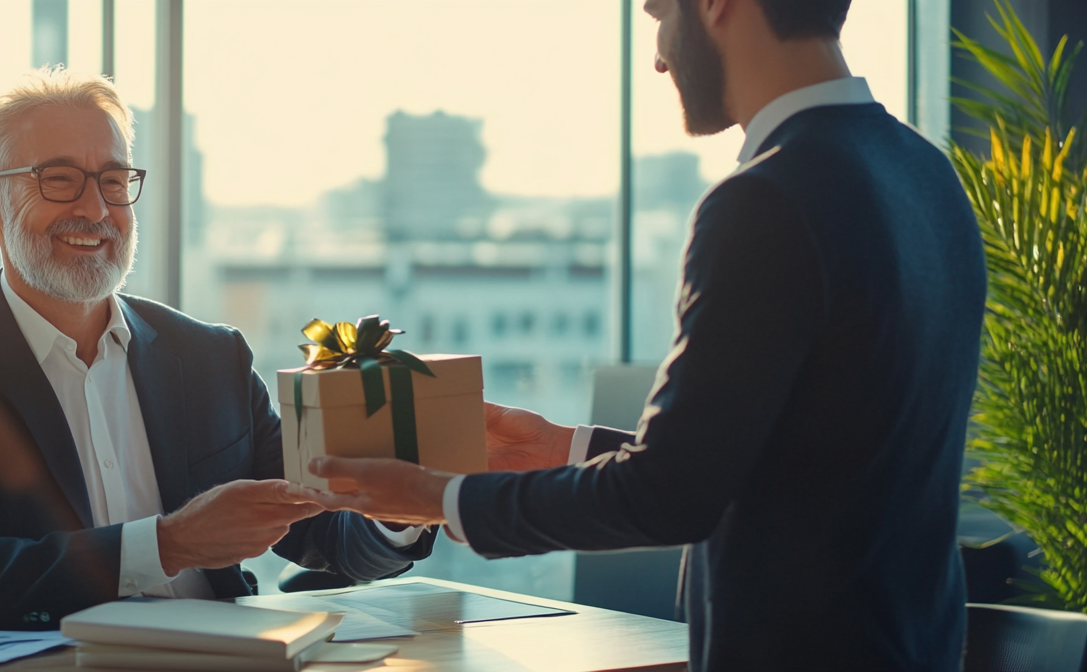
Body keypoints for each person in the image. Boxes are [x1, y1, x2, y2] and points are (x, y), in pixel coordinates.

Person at [303, 0, 986, 669]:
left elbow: (668, 496)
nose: (658, 58)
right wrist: (562, 448)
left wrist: (434, 497)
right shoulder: (928, 177)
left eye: (659, 15)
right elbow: (806, 466)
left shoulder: (766, 201)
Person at [0, 69, 434, 630]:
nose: (95, 209)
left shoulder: (212, 358)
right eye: (59, 180)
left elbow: (326, 534)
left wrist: (396, 511)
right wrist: (167, 545)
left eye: (113, 181)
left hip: (217, 652)